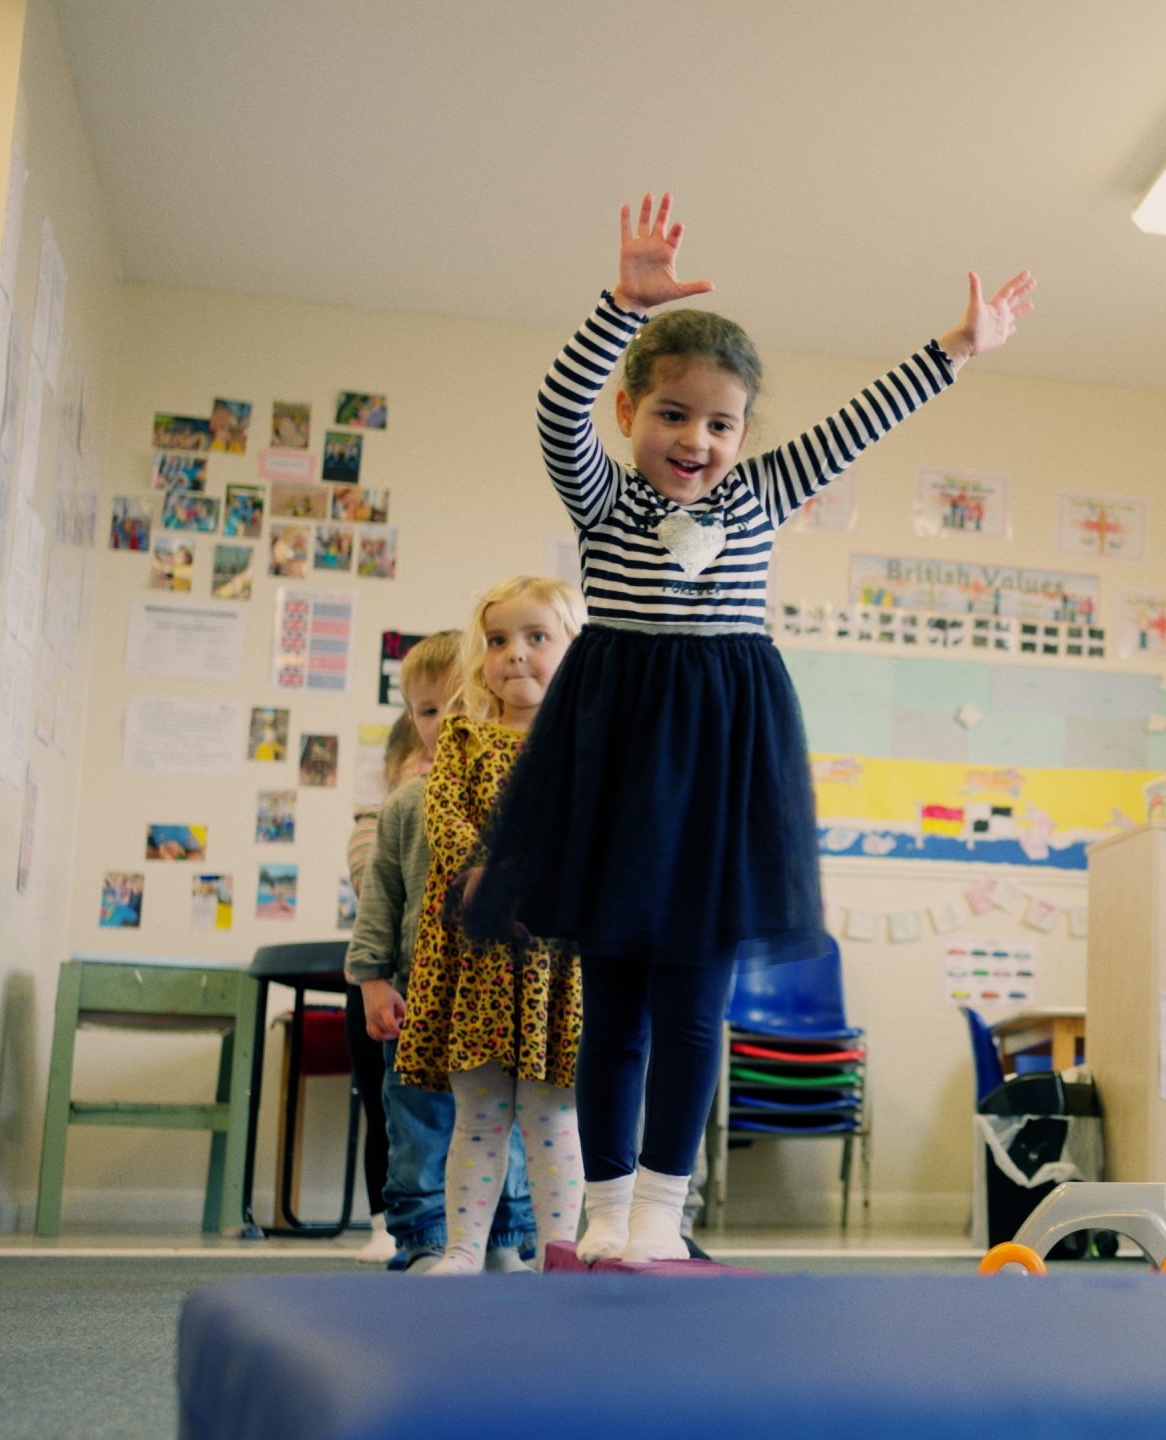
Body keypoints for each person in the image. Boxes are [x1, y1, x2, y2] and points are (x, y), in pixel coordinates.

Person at [466, 192, 1031, 1263]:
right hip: (620, 762)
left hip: (722, 769)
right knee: (615, 1004)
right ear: (631, 410)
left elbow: (866, 417)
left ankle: (660, 1215)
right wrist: (618, 303)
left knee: (692, 1004)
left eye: (720, 422)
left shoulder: (763, 495)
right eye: (672, 414)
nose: (696, 439)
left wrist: (957, 346)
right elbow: (554, 410)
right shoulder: (602, 501)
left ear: (744, 435)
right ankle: (601, 1209)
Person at [345, 630, 541, 1273]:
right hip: (422, 998)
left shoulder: (514, 798)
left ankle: (504, 1238)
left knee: (504, 1124)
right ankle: (425, 1237)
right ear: (412, 722)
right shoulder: (404, 804)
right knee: (420, 1124)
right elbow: (379, 900)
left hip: (498, 997)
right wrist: (373, 980)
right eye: (429, 712)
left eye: (459, 706)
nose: (446, 723)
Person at [339, 717, 430, 1264]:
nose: (431, 761)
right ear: (392, 772)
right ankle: (384, 1220)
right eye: (418, 757)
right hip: (387, 982)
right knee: (388, 1106)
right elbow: (370, 883)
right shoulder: (381, 819)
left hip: (453, 984)